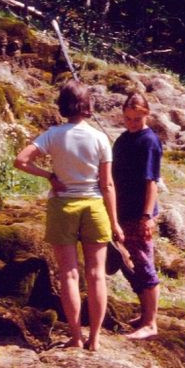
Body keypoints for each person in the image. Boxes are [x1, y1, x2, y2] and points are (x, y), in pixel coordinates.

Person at [14, 80, 124, 351]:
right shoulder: (100, 138)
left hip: (63, 206)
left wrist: (49, 175)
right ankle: (95, 340)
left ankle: (76, 337)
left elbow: (21, 160)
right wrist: (115, 222)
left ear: (63, 105)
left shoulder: (53, 134)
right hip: (94, 207)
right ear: (88, 106)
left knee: (69, 275)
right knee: (97, 275)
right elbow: (107, 184)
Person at [112, 92, 162, 340]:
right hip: (120, 212)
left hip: (138, 214)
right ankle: (144, 314)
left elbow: (151, 181)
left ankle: (151, 323)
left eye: (136, 118)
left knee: (143, 263)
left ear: (146, 115)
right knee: (126, 262)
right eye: (128, 118)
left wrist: (147, 217)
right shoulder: (121, 141)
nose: (131, 123)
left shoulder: (149, 141)